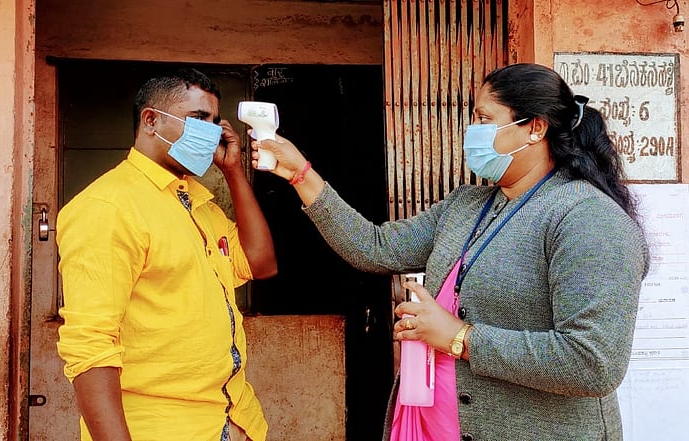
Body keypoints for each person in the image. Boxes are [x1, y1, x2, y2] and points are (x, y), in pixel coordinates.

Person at [251, 63, 648, 440]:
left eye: (483, 118)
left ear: (535, 128)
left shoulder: (587, 218)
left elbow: (593, 363)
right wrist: (301, 174)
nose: (470, 130)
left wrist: (460, 337)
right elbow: (375, 248)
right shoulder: (468, 205)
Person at [56, 68, 278, 441]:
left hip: (232, 419)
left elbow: (260, 263)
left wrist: (234, 172)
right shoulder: (108, 207)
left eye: (213, 120)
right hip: (162, 428)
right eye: (198, 119)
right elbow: (90, 348)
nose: (211, 132)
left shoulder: (195, 201)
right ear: (150, 120)